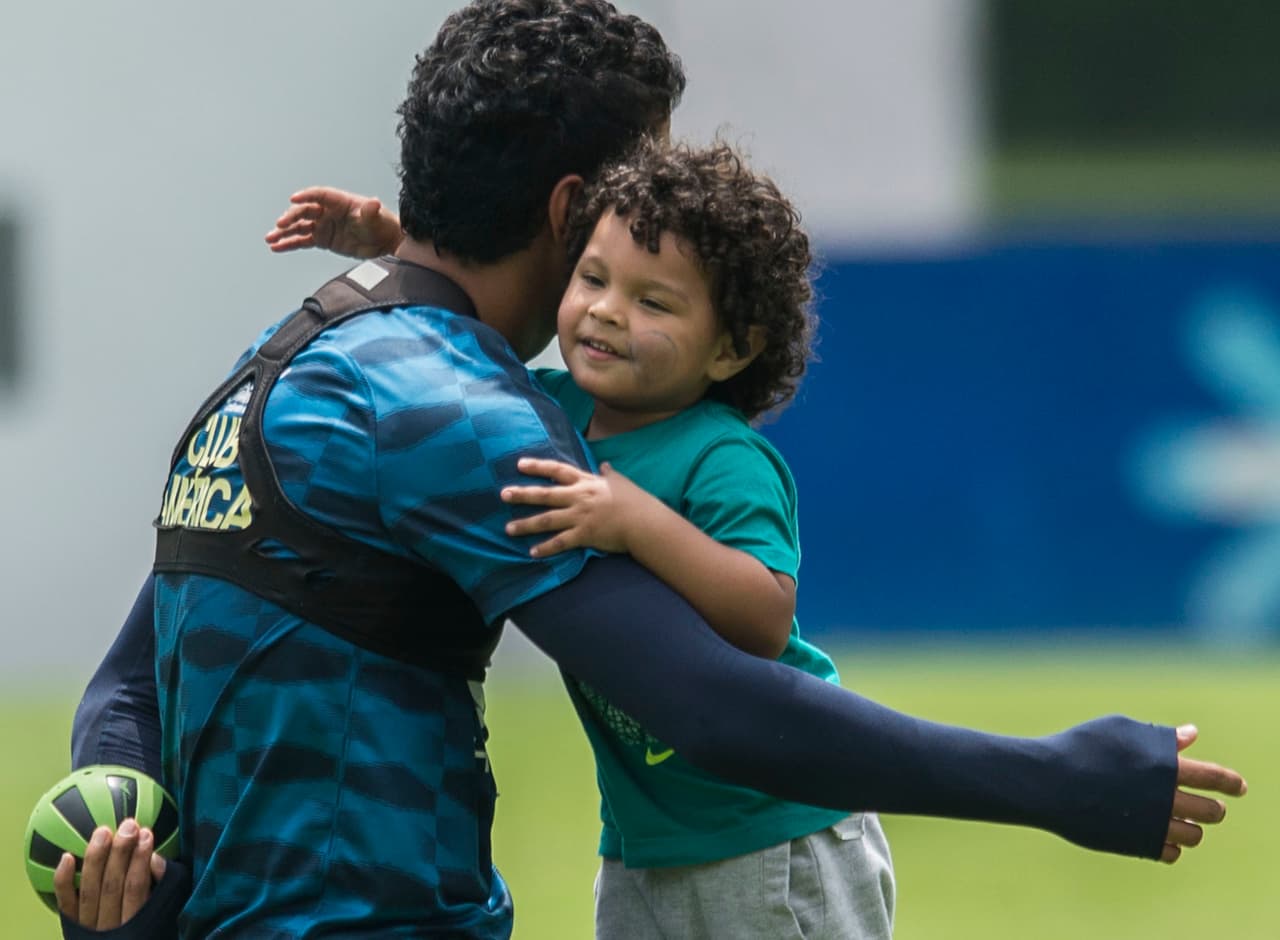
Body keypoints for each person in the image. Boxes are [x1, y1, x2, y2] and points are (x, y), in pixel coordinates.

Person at [59, 1, 1246, 938]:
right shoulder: (451, 409)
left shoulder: (283, 356)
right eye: (635, 195)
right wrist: (1055, 778)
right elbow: (713, 703)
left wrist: (114, 848)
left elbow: (125, 692)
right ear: (574, 209)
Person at [499, 139, 895, 939]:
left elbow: (764, 615)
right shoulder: (550, 411)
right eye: (594, 279)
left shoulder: (722, 458)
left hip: (776, 833)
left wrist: (633, 519)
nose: (608, 310)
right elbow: (455, 344)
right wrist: (392, 249)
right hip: (645, 843)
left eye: (655, 302)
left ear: (733, 347)